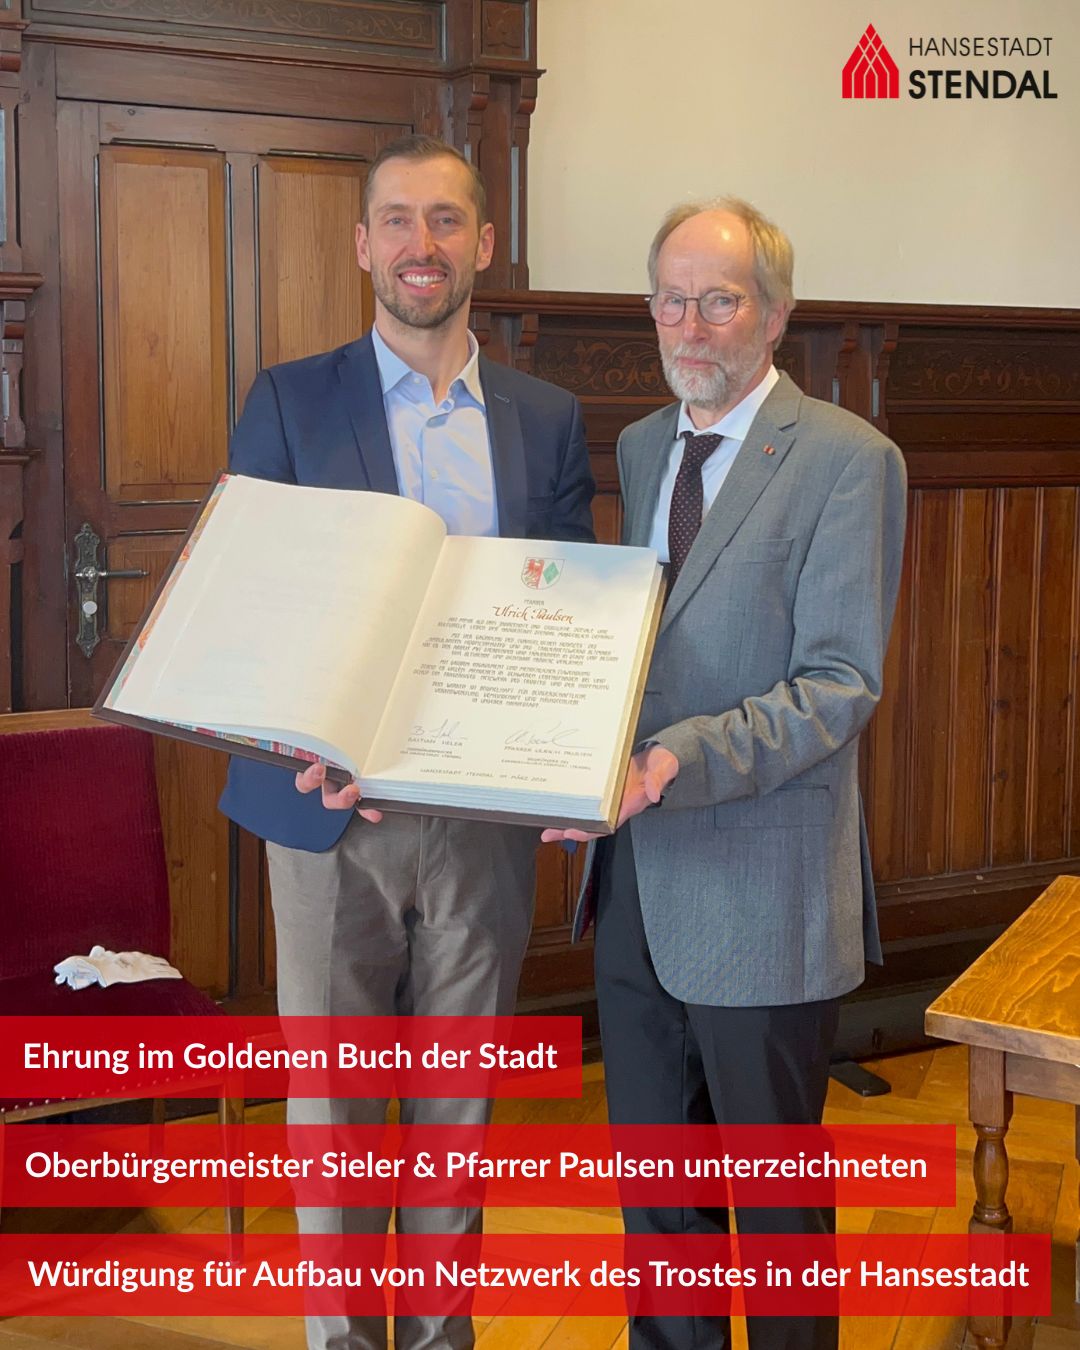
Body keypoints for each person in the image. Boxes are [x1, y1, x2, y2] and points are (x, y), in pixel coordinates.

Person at [218, 133, 595, 1350]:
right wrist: (301, 738)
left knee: (457, 1107)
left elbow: (561, 616)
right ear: (363, 244)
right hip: (325, 812)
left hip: (481, 818)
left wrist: (563, 757)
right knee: (332, 1109)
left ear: (483, 243)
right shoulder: (290, 400)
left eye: (444, 220)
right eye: (396, 219)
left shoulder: (547, 419)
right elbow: (250, 601)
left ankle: (440, 1339)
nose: (419, 245)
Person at [543, 198, 907, 1350]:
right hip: (633, 883)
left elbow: (838, 686)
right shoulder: (644, 445)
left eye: (719, 300)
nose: (689, 326)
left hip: (764, 889)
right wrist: (568, 760)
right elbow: (636, 652)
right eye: (670, 300)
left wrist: (668, 763)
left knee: (777, 1212)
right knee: (660, 1203)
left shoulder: (850, 460)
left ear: (776, 313)